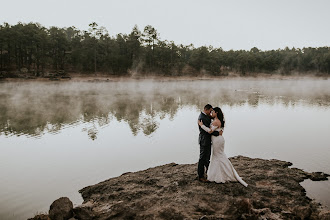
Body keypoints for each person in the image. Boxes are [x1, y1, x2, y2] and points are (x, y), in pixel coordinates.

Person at [198, 107, 248, 187]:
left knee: (219, 156)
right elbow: (217, 130)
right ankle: (223, 173)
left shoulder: (216, 121)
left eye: (213, 112)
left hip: (217, 141)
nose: (211, 113)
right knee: (218, 156)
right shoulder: (217, 120)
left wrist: (202, 125)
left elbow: (210, 131)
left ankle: (223, 174)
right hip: (217, 140)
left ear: (216, 113)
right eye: (210, 111)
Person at [197, 104, 220, 182]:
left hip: (207, 140)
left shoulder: (206, 116)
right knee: (202, 158)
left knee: (207, 158)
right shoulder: (202, 118)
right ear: (206, 110)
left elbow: (213, 117)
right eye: (210, 111)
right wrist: (217, 133)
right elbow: (207, 131)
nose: (210, 113)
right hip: (204, 140)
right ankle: (200, 176)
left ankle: (209, 172)